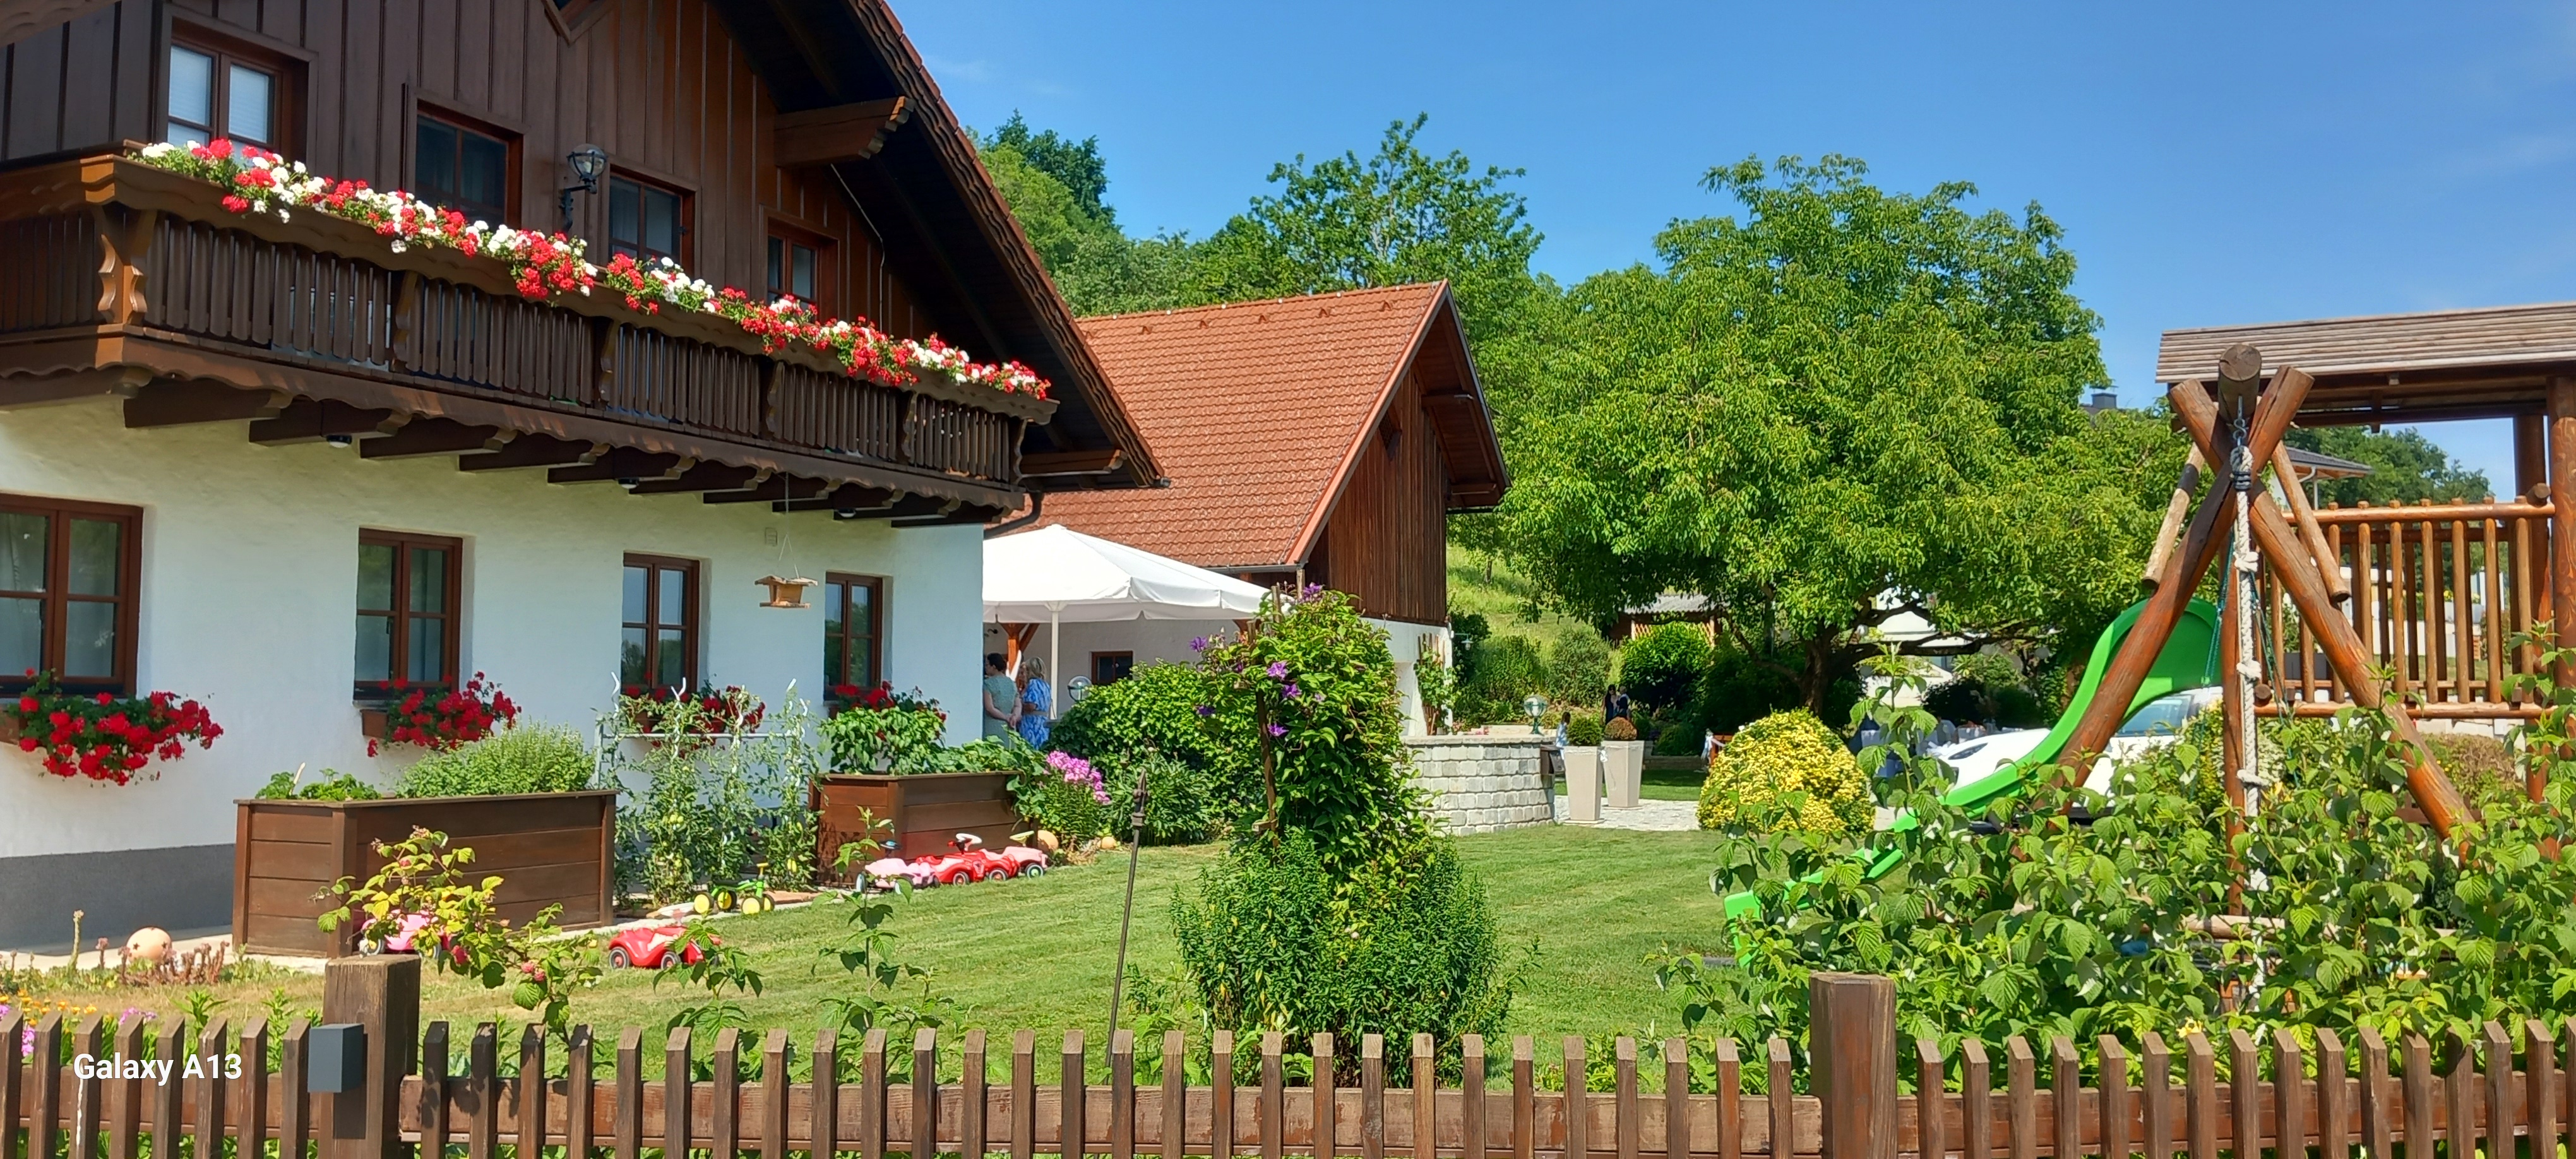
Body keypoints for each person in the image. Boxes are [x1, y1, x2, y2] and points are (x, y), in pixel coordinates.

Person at [981, 653, 1019, 739]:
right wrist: (1014, 717)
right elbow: (1018, 705)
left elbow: (989, 708)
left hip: (993, 726)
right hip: (1010, 727)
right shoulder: (1012, 684)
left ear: (994, 667)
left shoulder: (988, 684)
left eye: (987, 665)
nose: (985, 667)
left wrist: (1005, 717)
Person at [1017, 657, 1052, 747]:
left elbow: (1031, 706)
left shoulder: (1033, 683)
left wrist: (1018, 703)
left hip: (1032, 724)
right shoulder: (1046, 685)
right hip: (1043, 723)